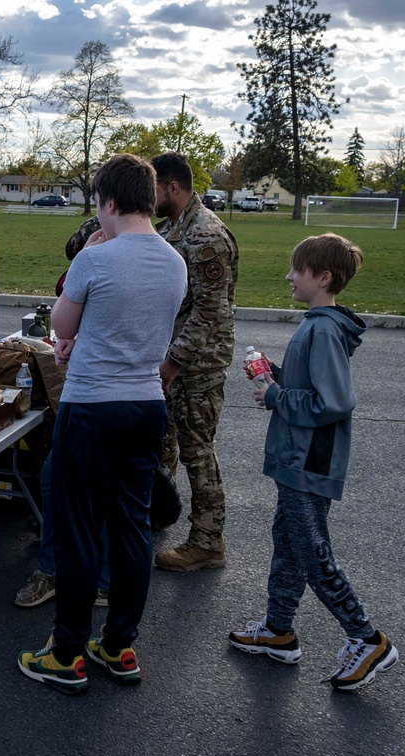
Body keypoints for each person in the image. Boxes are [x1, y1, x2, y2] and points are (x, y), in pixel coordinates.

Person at [17, 154, 186, 693]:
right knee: (133, 525)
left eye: (98, 206)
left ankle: (67, 653)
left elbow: (61, 323)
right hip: (145, 405)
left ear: (109, 201)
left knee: (80, 527)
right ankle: (118, 645)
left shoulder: (97, 257)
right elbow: (136, 324)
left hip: (92, 407)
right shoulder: (175, 260)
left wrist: (87, 266)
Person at [229, 233, 399, 691]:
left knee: (312, 550)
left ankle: (367, 638)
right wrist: (277, 376)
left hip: (309, 462)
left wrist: (277, 394)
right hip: (296, 458)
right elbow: (313, 388)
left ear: (323, 278)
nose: (288, 276)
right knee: (287, 541)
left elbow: (336, 402)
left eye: (296, 270)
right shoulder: (317, 324)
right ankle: (278, 631)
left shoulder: (323, 328)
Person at [15, 214, 109, 609]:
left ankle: (101, 582)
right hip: (81, 393)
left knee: (104, 491)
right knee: (55, 478)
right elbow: (66, 323)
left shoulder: (140, 265)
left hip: (110, 400)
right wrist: (70, 343)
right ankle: (51, 571)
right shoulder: (89, 266)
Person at [151, 152, 239, 572]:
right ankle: (157, 512)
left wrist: (173, 364)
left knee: (196, 451)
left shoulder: (205, 236)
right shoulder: (175, 227)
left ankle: (207, 541)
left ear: (172, 187)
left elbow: (211, 312)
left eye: (152, 187)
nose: (147, 198)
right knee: (164, 442)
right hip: (176, 358)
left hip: (197, 365)